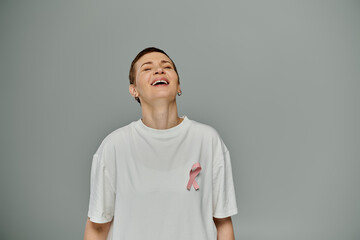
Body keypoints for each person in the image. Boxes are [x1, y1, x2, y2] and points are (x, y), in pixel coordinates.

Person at [83, 47, 238, 240]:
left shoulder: (208, 140)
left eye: (167, 66)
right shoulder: (114, 146)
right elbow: (97, 228)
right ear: (134, 90)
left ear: (179, 86)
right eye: (147, 68)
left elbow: (223, 224)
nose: (159, 70)